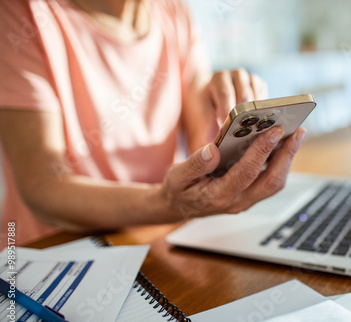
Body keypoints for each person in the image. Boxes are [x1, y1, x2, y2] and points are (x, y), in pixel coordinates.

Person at [0, 0, 307, 247]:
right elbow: (42, 188)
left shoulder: (173, 11)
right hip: (50, 255)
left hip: (156, 241)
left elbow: (203, 135)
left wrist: (222, 108)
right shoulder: (21, 14)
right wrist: (166, 203)